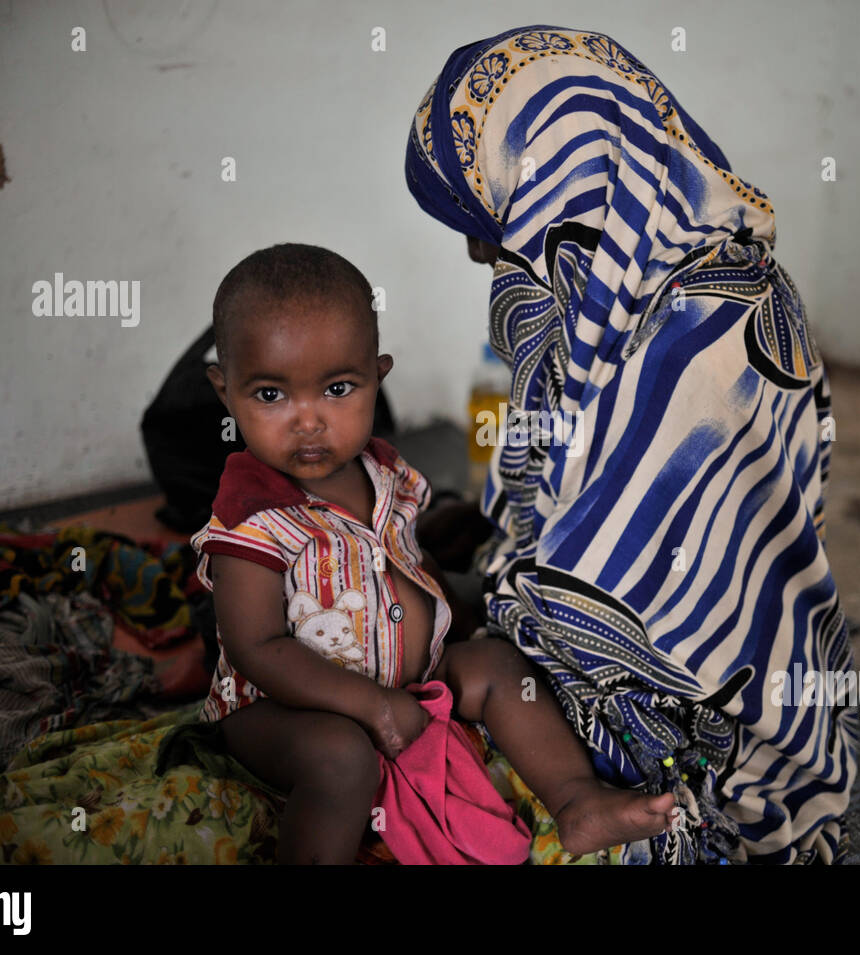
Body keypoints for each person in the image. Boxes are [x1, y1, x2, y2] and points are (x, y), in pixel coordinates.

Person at [406, 26, 858, 864]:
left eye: (487, 215)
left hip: (698, 738)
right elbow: (573, 489)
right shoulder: (680, 283)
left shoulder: (686, 343)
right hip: (767, 678)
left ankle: (598, 802)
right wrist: (488, 536)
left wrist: (449, 604)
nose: (479, 250)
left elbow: (610, 610)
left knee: (422, 679)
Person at [191, 243, 676, 864]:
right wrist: (370, 705)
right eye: (270, 396)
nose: (308, 421)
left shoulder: (385, 471)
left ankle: (577, 800)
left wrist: (457, 628)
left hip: (408, 680)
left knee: (498, 666)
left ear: (377, 376)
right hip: (283, 713)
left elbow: (410, 561)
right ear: (224, 391)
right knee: (343, 758)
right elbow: (256, 649)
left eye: (337, 388)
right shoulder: (250, 516)